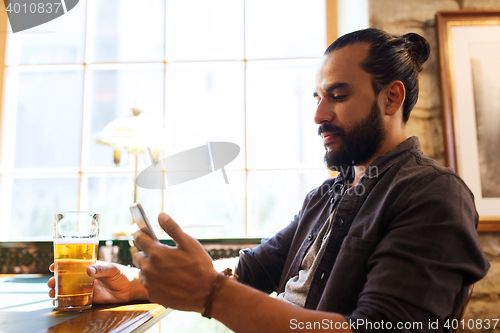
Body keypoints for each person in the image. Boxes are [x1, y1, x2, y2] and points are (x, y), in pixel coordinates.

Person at [48, 28, 489, 332]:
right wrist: (139, 282)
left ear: (391, 97)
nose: (318, 115)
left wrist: (211, 295)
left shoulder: (432, 195)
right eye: (317, 98)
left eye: (337, 96)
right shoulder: (329, 194)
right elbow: (254, 268)